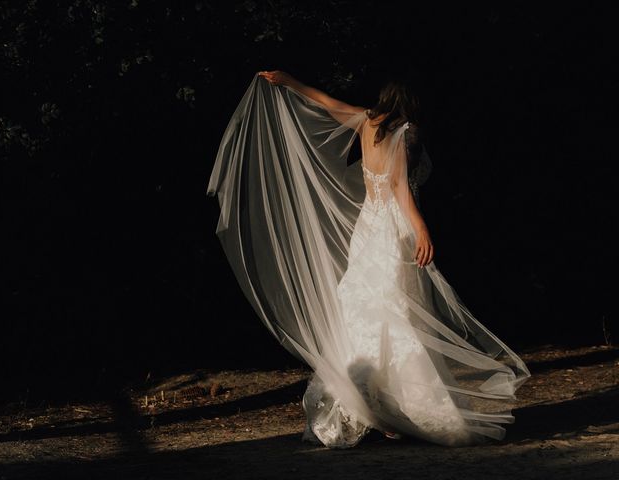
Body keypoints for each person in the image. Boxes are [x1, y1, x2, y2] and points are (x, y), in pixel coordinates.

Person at [207, 70, 531, 449]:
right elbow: (398, 186)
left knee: (366, 306)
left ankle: (373, 405)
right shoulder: (405, 131)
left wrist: (288, 81)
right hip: (392, 229)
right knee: (396, 309)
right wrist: (422, 228)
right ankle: (394, 406)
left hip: (367, 227)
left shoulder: (365, 120)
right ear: (409, 105)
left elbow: (326, 102)